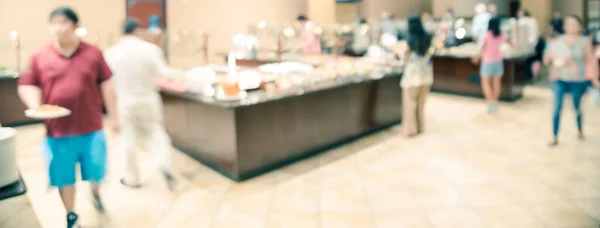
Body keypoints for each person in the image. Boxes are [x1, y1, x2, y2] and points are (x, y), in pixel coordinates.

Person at [17, 7, 117, 228]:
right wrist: (36, 105)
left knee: (96, 171)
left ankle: (95, 192)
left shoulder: (93, 53)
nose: (58, 28)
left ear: (76, 26)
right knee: (64, 177)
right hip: (58, 132)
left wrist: (115, 116)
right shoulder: (39, 56)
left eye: (63, 22)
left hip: (92, 127)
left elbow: (107, 85)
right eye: (54, 23)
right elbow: (26, 84)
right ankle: (71, 214)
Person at [103, 18, 180, 190]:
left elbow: (107, 83)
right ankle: (164, 166)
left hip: (124, 100)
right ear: (137, 30)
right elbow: (163, 73)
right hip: (148, 98)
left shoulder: (111, 53)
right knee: (155, 132)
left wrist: (112, 114)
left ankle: (132, 178)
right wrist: (182, 74)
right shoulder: (150, 50)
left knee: (127, 138)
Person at [544, 15, 600, 147]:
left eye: (574, 24)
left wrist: (595, 79)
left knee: (577, 107)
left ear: (579, 26)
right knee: (557, 108)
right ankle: (554, 136)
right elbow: (548, 59)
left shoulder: (585, 41)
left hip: (578, 80)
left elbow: (591, 61)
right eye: (568, 24)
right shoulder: (558, 41)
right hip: (560, 79)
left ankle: (580, 129)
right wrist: (553, 60)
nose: (571, 26)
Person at [400, 14, 434, 137]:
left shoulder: (409, 39)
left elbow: (405, 57)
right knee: (421, 104)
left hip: (412, 76)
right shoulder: (427, 37)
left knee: (410, 103)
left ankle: (410, 130)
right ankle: (420, 127)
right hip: (426, 74)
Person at [473, 17, 511, 113]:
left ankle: (490, 102)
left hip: (487, 62)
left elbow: (482, 48)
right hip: (498, 61)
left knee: (485, 83)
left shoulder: (487, 35)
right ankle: (495, 101)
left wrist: (477, 57)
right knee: (496, 83)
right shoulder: (502, 35)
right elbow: (510, 42)